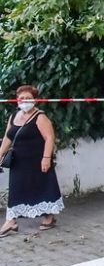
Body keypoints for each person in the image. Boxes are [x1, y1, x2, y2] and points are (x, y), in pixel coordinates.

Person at [0, 85, 62, 236]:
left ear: (35, 100)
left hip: (37, 160)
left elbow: (49, 138)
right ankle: (11, 221)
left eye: (28, 98)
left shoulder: (40, 117)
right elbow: (8, 137)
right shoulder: (14, 116)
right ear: (17, 100)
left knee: (42, 187)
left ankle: (49, 216)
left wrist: (46, 158)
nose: (25, 101)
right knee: (16, 188)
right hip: (18, 161)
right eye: (22, 98)